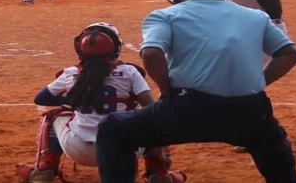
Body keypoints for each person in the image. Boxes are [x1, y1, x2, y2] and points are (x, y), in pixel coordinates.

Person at [96, 0, 296, 183]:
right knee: (273, 142)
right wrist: (259, 81)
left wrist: (167, 92)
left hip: (187, 110)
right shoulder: (256, 17)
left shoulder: (165, 15)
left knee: (113, 129)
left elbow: (151, 53)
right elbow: (290, 53)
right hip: (247, 111)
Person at [16, 22, 186, 183]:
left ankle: (44, 169)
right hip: (124, 150)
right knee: (152, 117)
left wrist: (75, 100)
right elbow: (151, 109)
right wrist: (155, 145)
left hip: (79, 150)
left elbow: (41, 98)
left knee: (53, 118)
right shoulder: (129, 72)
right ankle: (158, 171)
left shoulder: (72, 73)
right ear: (115, 48)